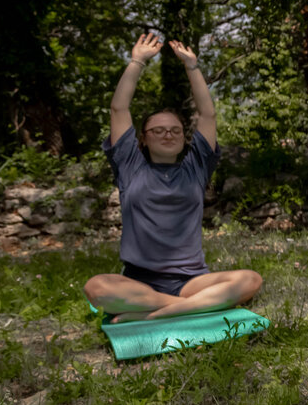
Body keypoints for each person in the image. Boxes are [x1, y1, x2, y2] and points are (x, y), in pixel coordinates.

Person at [83, 33, 262, 322]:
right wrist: (137, 61)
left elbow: (208, 114)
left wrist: (192, 67)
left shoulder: (196, 167)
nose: (168, 134)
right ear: (143, 138)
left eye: (175, 130)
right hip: (139, 281)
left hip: (191, 281)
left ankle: (154, 313)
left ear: (183, 138)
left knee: (251, 279)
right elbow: (119, 108)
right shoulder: (129, 166)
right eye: (158, 130)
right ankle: (190, 306)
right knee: (96, 288)